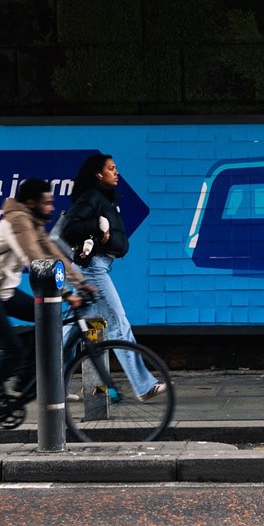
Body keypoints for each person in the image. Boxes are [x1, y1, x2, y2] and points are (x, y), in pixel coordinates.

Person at [0, 177, 89, 432]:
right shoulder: (18, 221)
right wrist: (63, 293)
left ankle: (26, 376)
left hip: (1, 292)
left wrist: (82, 284)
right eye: (47, 203)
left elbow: (54, 254)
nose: (52, 207)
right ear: (31, 203)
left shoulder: (32, 222)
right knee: (12, 351)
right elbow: (36, 259)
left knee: (46, 318)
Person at [55, 153, 167, 402]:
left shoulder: (102, 198)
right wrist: (97, 227)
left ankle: (48, 387)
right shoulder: (92, 198)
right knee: (118, 323)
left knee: (71, 331)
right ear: (98, 173)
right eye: (111, 169)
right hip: (93, 268)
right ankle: (144, 385)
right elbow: (69, 229)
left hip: (97, 267)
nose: (116, 173)